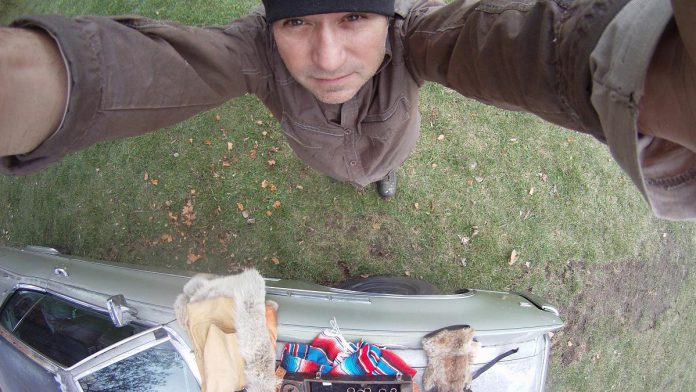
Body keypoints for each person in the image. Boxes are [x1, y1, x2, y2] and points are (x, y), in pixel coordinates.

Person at [0, 0, 694, 217]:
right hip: (320, 151)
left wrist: (646, 63)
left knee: (380, 170)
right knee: (340, 171)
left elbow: (522, 44)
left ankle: (381, 179)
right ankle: (352, 178)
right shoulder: (252, 52)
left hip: (391, 143)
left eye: (354, 16)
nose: (327, 57)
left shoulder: (416, 38)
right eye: (297, 23)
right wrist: (29, 78)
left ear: (389, 19)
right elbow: (133, 70)